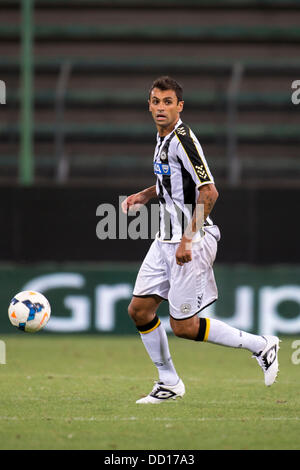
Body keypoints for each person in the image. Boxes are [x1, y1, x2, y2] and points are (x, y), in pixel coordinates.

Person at [122, 76, 280, 404]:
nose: (161, 108)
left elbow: (210, 191)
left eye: (168, 102)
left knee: (184, 327)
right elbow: (174, 181)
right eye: (156, 101)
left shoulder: (182, 139)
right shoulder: (162, 138)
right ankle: (169, 382)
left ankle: (261, 345)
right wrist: (145, 194)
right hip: (164, 238)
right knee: (139, 310)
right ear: (149, 104)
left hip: (189, 240)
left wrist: (187, 240)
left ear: (180, 106)